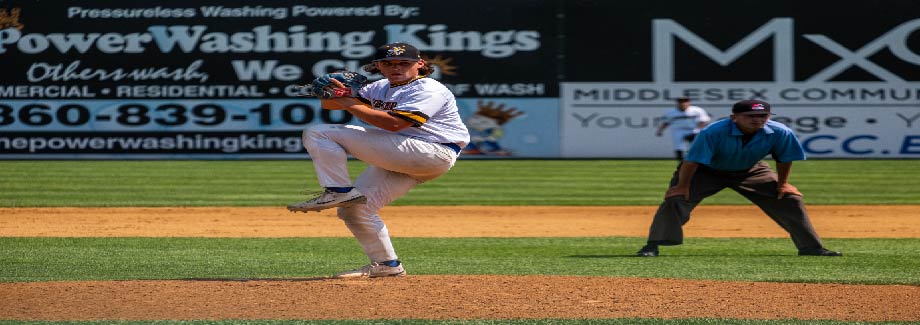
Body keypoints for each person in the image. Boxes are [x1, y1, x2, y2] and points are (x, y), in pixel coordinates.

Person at [287, 43, 470, 278]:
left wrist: (345, 99)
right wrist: (332, 91)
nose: (396, 68)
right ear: (378, 67)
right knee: (354, 210)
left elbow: (394, 124)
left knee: (319, 132)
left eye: (404, 63)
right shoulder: (380, 87)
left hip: (432, 152)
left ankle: (338, 190)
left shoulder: (428, 89)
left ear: (420, 64)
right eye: (389, 63)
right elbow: (333, 104)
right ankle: (387, 266)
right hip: (406, 155)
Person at [637, 99, 841, 257]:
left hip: (751, 170)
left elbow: (784, 158)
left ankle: (811, 248)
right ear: (734, 117)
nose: (758, 119)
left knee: (790, 199)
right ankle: (653, 245)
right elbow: (692, 161)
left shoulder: (780, 132)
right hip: (706, 170)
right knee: (676, 200)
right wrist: (682, 186)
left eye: (764, 115)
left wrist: (783, 184)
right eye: (751, 115)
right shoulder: (713, 131)